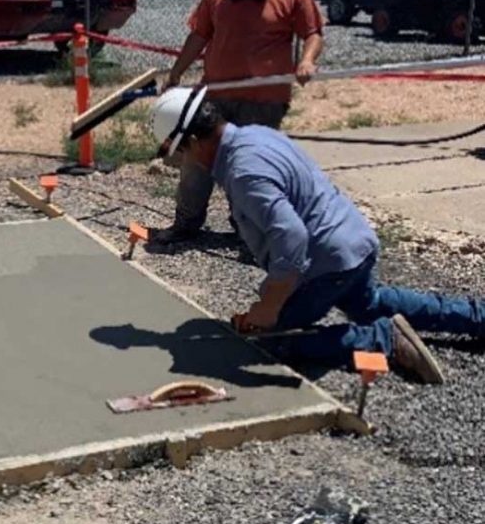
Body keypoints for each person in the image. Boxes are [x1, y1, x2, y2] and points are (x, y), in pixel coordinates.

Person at [148, 87, 485, 383]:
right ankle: (476, 317)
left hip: (328, 262)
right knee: (371, 303)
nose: (182, 160)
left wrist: (270, 306)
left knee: (272, 340)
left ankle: (383, 339)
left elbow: (292, 240)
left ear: (193, 141)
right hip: (354, 242)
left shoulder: (242, 172)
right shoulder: (255, 135)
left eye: (179, 152)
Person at [153, 0, 324, 245]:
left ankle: (250, 233)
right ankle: (186, 224)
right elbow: (199, 35)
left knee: (249, 168)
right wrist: (176, 74)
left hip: (264, 100)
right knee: (196, 160)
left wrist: (306, 60)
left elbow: (312, 33)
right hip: (215, 94)